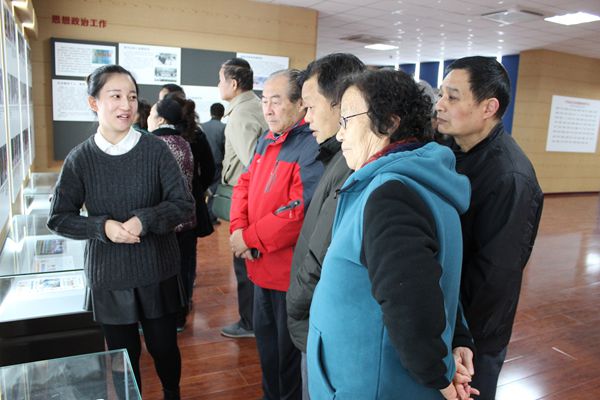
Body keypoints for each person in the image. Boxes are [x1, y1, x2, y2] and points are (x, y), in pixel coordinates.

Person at [307, 69, 471, 399]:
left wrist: (439, 374)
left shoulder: (391, 194)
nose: (339, 134)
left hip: (374, 385)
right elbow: (430, 279)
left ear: (389, 123)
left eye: (347, 120)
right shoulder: (407, 180)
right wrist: (459, 339)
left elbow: (411, 304)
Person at [47, 65, 194, 400]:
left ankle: (172, 393)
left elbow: (184, 205)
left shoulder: (156, 150)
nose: (126, 105)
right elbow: (59, 218)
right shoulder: (80, 159)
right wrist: (102, 227)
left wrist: (145, 220)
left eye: (131, 97)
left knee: (164, 348)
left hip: (156, 269)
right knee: (122, 358)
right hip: (109, 275)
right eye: (115, 96)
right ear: (94, 102)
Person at [437, 56, 544, 400]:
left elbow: (493, 277)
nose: (440, 105)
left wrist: (460, 336)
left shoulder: (510, 176)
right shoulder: (447, 149)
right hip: (443, 316)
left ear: (489, 107)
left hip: (474, 333)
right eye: (441, 94)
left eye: (452, 97)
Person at [229, 69, 323, 400]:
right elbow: (243, 185)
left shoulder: (311, 145)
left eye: (277, 101)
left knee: (287, 361)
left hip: (288, 275)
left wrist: (249, 238)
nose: (267, 110)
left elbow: (299, 210)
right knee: (267, 353)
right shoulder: (266, 140)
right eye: (265, 101)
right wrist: (238, 229)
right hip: (259, 269)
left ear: (300, 104)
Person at [285, 53, 365, 399]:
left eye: (311, 107)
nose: (305, 119)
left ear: (342, 103)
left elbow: (320, 256)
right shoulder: (338, 157)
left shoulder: (352, 164)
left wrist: (294, 306)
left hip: (324, 324)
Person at [218, 57, 268, 338]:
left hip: (247, 201)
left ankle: (249, 322)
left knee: (244, 262)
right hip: (256, 200)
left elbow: (253, 166)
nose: (218, 85)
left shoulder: (240, 115)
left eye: (220, 80)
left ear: (234, 84)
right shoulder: (255, 106)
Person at [158, 85, 216, 323]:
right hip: (190, 209)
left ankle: (164, 309)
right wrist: (195, 188)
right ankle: (183, 306)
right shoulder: (195, 135)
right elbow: (210, 168)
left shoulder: (155, 140)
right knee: (186, 261)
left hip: (163, 211)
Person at [147, 93, 198, 332]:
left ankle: (162, 320)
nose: (147, 118)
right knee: (183, 271)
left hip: (163, 222)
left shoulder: (153, 145)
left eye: (150, 114)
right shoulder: (184, 142)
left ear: (159, 119)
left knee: (161, 274)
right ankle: (180, 316)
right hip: (186, 219)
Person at [201, 102, 226, 225]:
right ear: (222, 114)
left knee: (201, 188)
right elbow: (225, 147)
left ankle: (201, 215)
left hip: (201, 163)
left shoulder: (201, 126)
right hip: (217, 162)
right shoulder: (224, 127)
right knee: (214, 189)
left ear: (210, 113)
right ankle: (210, 217)